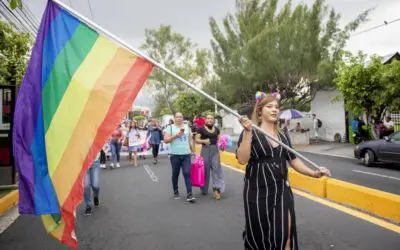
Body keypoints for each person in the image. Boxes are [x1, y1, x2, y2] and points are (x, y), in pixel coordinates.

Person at [237, 93, 331, 250]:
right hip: (257, 190)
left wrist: (313, 173)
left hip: (281, 189)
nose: (274, 110)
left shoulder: (283, 134)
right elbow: (242, 159)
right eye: (269, 106)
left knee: (285, 234)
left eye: (276, 107)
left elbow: (293, 159)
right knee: (260, 235)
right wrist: (247, 133)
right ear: (260, 111)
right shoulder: (250, 131)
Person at [164, 112, 196, 203]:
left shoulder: (187, 127)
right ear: (174, 118)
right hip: (175, 155)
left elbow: (190, 140)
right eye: (177, 117)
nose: (179, 118)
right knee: (175, 174)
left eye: (180, 117)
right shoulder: (170, 128)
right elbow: (166, 140)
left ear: (182, 118)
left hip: (186, 154)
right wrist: (176, 136)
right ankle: (175, 190)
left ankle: (189, 194)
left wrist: (193, 151)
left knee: (187, 173)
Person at [195, 113, 225, 200]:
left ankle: (216, 190)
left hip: (215, 150)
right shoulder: (201, 129)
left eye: (212, 118)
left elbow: (220, 140)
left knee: (216, 169)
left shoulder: (216, 129)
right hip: (205, 150)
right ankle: (204, 188)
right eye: (208, 118)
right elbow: (196, 140)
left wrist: (222, 146)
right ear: (205, 119)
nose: (210, 120)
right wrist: (204, 140)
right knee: (205, 170)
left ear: (213, 120)